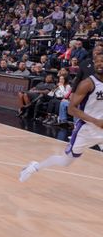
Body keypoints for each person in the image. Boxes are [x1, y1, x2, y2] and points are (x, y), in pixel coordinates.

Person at [20, 53, 103, 182]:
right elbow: (71, 109)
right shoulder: (87, 83)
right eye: (98, 61)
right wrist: (96, 121)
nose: (100, 64)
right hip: (87, 130)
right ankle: (34, 167)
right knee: (65, 161)